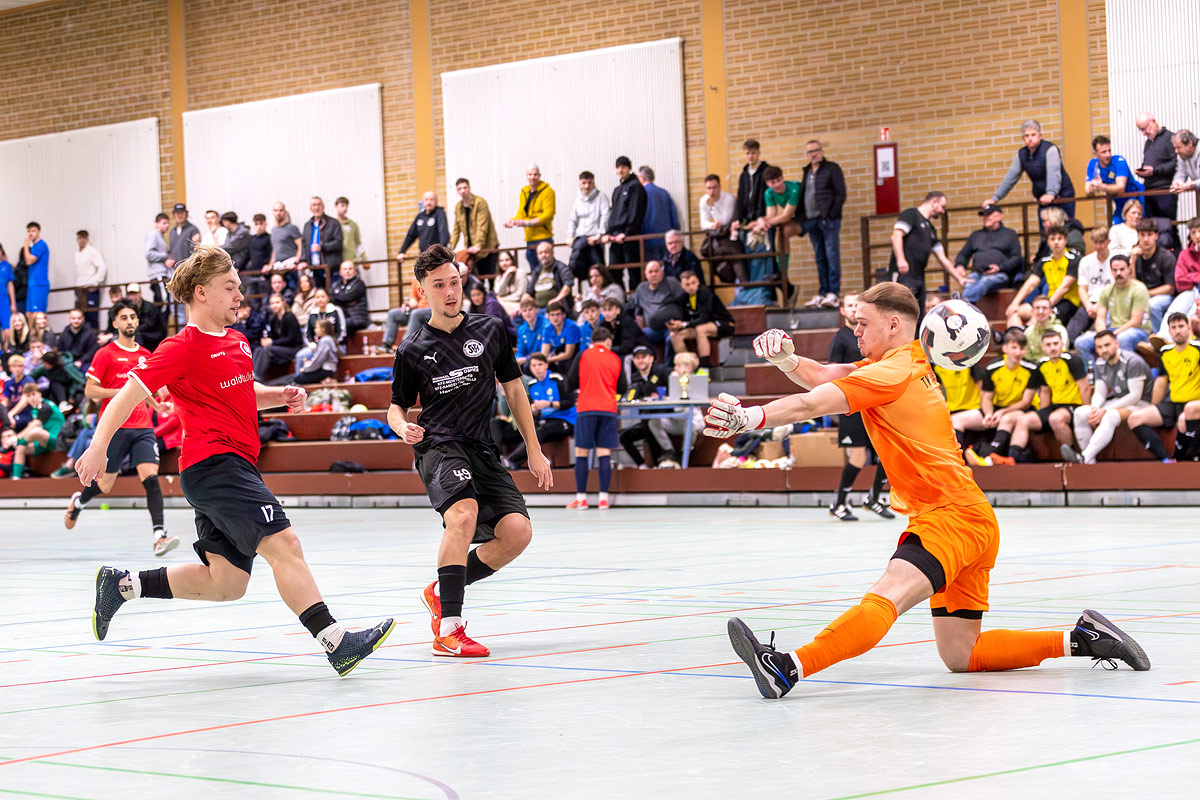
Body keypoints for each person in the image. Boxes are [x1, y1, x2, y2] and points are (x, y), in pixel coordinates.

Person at [707, 281, 1148, 702]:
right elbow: (822, 375)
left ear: (893, 324)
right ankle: (1082, 639)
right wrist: (786, 359)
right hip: (969, 517)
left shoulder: (893, 372)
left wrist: (748, 419)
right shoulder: (902, 363)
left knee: (888, 594)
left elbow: (812, 402)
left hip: (950, 517)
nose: (854, 330)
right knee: (961, 654)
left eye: (862, 322)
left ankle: (787, 667)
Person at [74, 243, 393, 674]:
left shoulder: (238, 342)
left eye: (239, 286)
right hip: (214, 464)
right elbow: (124, 398)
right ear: (202, 292)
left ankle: (122, 586)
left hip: (231, 466)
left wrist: (279, 396)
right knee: (285, 544)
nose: (239, 295)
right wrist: (97, 447)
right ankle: (336, 641)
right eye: (230, 286)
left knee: (226, 583)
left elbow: (244, 392)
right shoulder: (179, 347)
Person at [389, 243, 552, 658]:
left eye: (454, 282)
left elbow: (514, 389)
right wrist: (402, 427)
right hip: (439, 446)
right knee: (463, 514)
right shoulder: (412, 349)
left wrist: (534, 449)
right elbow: (396, 406)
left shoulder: (490, 329)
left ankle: (440, 590)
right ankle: (449, 629)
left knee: (517, 533)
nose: (449, 292)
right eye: (438, 285)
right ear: (422, 291)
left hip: (482, 447)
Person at [63, 298, 178, 553]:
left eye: (133, 317)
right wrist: (120, 393)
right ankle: (79, 502)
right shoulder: (105, 354)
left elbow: (145, 388)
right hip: (115, 427)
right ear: (115, 323)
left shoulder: (145, 355)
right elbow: (90, 390)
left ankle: (159, 535)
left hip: (143, 427)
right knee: (105, 485)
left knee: (151, 478)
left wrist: (157, 405)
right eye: (124, 318)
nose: (130, 321)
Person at [824, 293, 893, 519]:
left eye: (857, 305)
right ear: (843, 310)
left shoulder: (869, 334)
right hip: (853, 404)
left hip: (874, 403)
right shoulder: (841, 337)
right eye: (850, 305)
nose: (854, 309)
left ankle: (873, 498)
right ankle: (839, 504)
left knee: (888, 453)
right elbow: (831, 371)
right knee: (858, 457)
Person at [1062, 331, 1153, 465]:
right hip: (1118, 401)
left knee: (1110, 415)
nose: (1104, 350)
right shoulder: (1100, 363)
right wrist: (1095, 409)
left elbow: (1135, 396)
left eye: (1107, 345)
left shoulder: (1132, 361)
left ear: (1116, 343)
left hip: (1142, 404)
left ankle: (1084, 457)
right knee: (1080, 413)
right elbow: (1100, 393)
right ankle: (1089, 462)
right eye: (1099, 347)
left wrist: (1105, 410)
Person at [566, 325, 625, 508]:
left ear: (593, 341)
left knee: (581, 452)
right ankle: (603, 498)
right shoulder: (615, 358)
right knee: (604, 453)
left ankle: (581, 498)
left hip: (586, 408)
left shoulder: (583, 355)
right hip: (608, 408)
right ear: (608, 341)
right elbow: (622, 387)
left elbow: (570, 382)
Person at [965, 331, 1043, 466]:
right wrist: (989, 414)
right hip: (998, 408)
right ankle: (955, 459)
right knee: (958, 420)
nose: (1018, 352)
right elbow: (986, 398)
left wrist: (1002, 412)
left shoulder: (1032, 369)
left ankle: (987, 457)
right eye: (1014, 348)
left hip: (1025, 409)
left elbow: (1026, 402)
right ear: (1005, 348)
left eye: (1022, 348)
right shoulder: (992, 368)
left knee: (1007, 418)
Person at [1009, 330, 1090, 462]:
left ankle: (1073, 454)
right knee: (1023, 420)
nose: (1053, 348)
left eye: (1055, 344)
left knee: (1056, 419)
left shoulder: (1072, 361)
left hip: (1073, 405)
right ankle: (1013, 458)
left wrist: (1086, 412)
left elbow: (1085, 388)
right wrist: (1043, 415)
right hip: (1054, 406)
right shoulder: (1042, 365)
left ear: (1062, 344)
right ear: (1043, 348)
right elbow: (1045, 391)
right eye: (1048, 345)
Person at [986, 119, 1076, 220]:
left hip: (1063, 196)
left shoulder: (1050, 149)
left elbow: (1054, 174)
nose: (1030, 138)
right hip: (1043, 199)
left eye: (1033, 135)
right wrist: (994, 199)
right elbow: (1010, 178)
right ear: (1023, 138)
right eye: (1027, 136)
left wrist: (1050, 193)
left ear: (1040, 136)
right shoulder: (1022, 154)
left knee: (1065, 227)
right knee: (1045, 228)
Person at [498, 352, 574, 467]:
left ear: (546, 365)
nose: (537, 368)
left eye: (540, 364)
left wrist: (549, 404)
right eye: (534, 365)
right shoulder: (532, 385)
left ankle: (512, 460)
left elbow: (570, 402)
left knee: (540, 432)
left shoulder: (558, 379)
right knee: (525, 429)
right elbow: (535, 412)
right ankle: (504, 459)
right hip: (544, 421)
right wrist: (534, 411)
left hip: (565, 419)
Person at [1074, 255, 1150, 369]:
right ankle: (1092, 375)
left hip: (1137, 331)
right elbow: (1100, 319)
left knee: (1123, 339)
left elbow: (1135, 321)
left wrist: (1112, 336)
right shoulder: (1107, 291)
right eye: (1115, 270)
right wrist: (1102, 335)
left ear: (1129, 269)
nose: (1118, 273)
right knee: (1081, 342)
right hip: (1113, 330)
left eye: (1122, 269)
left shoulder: (1139, 289)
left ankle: (1125, 373)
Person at [1005, 226, 1082, 337]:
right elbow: (1031, 284)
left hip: (1068, 303)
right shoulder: (1045, 261)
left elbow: (1064, 288)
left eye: (1059, 238)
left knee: (1039, 316)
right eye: (1052, 239)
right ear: (1048, 242)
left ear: (1065, 241)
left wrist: (1045, 307)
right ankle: (1015, 338)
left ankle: (1026, 336)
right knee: (1015, 312)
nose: (1056, 242)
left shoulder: (1073, 259)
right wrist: (1015, 303)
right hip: (1049, 300)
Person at [798, 140, 847, 308]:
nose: (814, 154)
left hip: (829, 220)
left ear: (822, 151)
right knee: (820, 257)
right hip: (812, 221)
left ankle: (833, 292)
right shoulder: (807, 171)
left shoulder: (832, 168)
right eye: (810, 151)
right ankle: (823, 291)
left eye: (816, 150)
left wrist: (831, 214)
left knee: (832, 255)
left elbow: (840, 194)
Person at [889, 192, 954, 313]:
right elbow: (896, 236)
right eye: (942, 206)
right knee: (901, 310)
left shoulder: (931, 229)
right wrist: (901, 260)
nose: (943, 211)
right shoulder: (911, 214)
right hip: (904, 274)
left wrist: (960, 278)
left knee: (918, 313)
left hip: (919, 277)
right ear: (934, 202)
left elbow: (942, 258)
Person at [951, 205, 1023, 303]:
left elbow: (1016, 258)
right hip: (977, 273)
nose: (985, 218)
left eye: (989, 215)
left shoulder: (1010, 234)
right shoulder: (976, 235)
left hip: (1000, 275)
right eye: (984, 215)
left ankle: (962, 302)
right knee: (970, 283)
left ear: (999, 216)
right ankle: (964, 302)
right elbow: (963, 254)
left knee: (985, 281)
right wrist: (960, 265)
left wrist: (1000, 267)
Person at [617, 345, 673, 469]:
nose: (640, 360)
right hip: (646, 418)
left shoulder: (662, 371)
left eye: (643, 357)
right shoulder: (635, 378)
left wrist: (663, 396)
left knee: (649, 426)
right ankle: (642, 466)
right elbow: (632, 396)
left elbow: (675, 387)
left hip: (666, 419)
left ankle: (658, 464)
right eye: (637, 358)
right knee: (624, 437)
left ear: (651, 358)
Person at [668, 270, 734, 368]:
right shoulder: (683, 298)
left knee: (701, 329)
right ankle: (686, 364)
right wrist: (678, 324)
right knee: (675, 335)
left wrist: (685, 324)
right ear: (682, 286)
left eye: (693, 283)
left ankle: (705, 365)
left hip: (723, 323)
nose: (691, 287)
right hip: (698, 324)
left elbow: (705, 318)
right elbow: (684, 318)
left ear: (698, 282)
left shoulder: (705, 293)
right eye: (687, 284)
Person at [755, 165, 802, 303]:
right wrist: (761, 220)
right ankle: (782, 274)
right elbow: (771, 215)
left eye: (779, 180)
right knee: (780, 234)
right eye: (773, 182)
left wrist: (763, 223)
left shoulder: (794, 188)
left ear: (783, 178)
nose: (777, 184)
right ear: (767, 184)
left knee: (783, 232)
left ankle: (782, 273)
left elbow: (786, 216)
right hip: (793, 218)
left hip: (806, 217)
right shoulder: (769, 193)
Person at [505, 164, 556, 273]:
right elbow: (521, 213)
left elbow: (548, 215)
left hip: (543, 237)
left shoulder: (548, 191)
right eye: (530, 174)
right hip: (530, 238)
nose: (532, 177)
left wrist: (529, 223)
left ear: (539, 175)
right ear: (526, 176)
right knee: (534, 270)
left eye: (535, 174)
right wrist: (513, 221)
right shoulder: (524, 192)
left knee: (547, 268)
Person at [604, 156, 647, 284]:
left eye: (623, 167)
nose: (621, 170)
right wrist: (609, 233)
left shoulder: (635, 187)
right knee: (614, 270)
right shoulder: (617, 190)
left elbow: (635, 212)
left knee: (634, 271)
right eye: (618, 167)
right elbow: (613, 213)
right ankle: (618, 296)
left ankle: (635, 296)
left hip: (629, 237)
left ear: (629, 168)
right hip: (616, 236)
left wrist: (627, 232)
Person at [8, 383, 64, 478]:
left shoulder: (46, 406)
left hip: (58, 440)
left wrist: (16, 438)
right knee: (20, 448)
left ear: (40, 393)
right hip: (43, 441)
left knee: (35, 431)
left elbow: (34, 426)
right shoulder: (34, 409)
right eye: (28, 396)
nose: (31, 398)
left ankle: (16, 442)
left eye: (33, 394)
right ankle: (16, 478)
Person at [1085, 135, 1143, 225]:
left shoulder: (1119, 161)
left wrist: (1101, 187)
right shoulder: (1093, 164)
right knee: (1115, 227)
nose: (1108, 155)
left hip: (1136, 199)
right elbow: (1087, 191)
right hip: (1120, 203)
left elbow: (1120, 188)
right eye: (1103, 152)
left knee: (1140, 227)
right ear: (1095, 153)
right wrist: (1093, 187)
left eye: (1109, 150)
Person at [1133, 218, 1177, 331]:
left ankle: (1158, 336)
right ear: (1137, 236)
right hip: (1142, 296)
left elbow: (1170, 288)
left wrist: (1147, 294)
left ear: (1156, 236)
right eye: (1142, 235)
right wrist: (1132, 261)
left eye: (1149, 234)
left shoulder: (1166, 256)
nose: (1146, 239)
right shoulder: (1135, 257)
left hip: (1163, 296)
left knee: (1152, 305)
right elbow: (1131, 285)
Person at [449, 179, 499, 279]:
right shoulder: (459, 207)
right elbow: (456, 229)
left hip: (487, 247)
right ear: (457, 191)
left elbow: (482, 225)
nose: (463, 191)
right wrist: (450, 248)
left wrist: (478, 245)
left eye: (465, 187)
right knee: (476, 279)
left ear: (469, 188)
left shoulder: (480, 202)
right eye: (459, 189)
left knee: (490, 277)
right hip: (471, 249)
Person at [1135, 112, 1178, 224]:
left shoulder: (1170, 138)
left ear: (1153, 122)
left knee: (1168, 227)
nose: (1144, 133)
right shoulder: (1148, 143)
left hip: (1165, 190)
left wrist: (1155, 171)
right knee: (1152, 228)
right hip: (1149, 191)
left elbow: (1176, 163)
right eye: (1141, 130)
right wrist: (1142, 171)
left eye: (1144, 128)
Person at [630, 260, 685, 347]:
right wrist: (641, 330)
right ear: (645, 275)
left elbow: (684, 301)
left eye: (656, 271)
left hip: (672, 326)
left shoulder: (672, 282)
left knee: (671, 338)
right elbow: (638, 313)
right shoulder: (641, 288)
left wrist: (682, 322)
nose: (654, 274)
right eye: (650, 272)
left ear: (662, 272)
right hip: (652, 329)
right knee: (636, 337)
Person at [567, 171, 610, 280]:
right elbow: (573, 220)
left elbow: (605, 217)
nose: (587, 186)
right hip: (581, 238)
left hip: (595, 240)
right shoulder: (577, 200)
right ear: (579, 184)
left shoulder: (601, 197)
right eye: (584, 183)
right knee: (579, 269)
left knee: (598, 269)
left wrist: (599, 235)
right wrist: (570, 235)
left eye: (589, 183)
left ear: (593, 183)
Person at [273, 318, 339, 386]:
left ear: (323, 329)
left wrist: (306, 369)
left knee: (297, 378)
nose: (315, 330)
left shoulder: (325, 340)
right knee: (295, 377)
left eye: (317, 328)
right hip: (325, 370)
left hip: (326, 370)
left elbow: (318, 360)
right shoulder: (328, 339)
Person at [252, 293, 303, 381]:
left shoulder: (290, 317)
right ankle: (251, 375)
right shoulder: (274, 319)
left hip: (293, 348)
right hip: (280, 348)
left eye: (277, 302)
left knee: (267, 350)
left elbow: (292, 339)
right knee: (258, 349)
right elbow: (274, 337)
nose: (274, 305)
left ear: (283, 303)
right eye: (272, 303)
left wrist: (272, 342)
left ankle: (257, 378)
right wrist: (267, 340)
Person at [1076, 226, 1115, 334]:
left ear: (1108, 241)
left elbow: (1118, 288)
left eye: (1102, 242)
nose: (1098, 246)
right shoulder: (1085, 261)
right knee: (1073, 329)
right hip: (1090, 303)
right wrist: (1089, 306)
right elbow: (1082, 288)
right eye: (1096, 242)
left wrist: (1099, 305)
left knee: (1097, 331)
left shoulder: (1116, 260)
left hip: (1110, 303)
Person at [297, 196, 343, 288]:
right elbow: (304, 245)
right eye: (314, 205)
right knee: (319, 292)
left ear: (323, 207)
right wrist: (303, 260)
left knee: (332, 292)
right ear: (310, 208)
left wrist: (322, 247)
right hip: (314, 268)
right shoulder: (307, 225)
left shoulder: (333, 223)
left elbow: (339, 243)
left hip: (330, 267)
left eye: (319, 204)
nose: (317, 207)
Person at [637, 165, 679, 263]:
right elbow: (674, 218)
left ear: (642, 178)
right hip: (666, 239)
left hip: (647, 240)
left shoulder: (640, 194)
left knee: (651, 268)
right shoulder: (664, 193)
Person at [398, 191, 450, 266]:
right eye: (426, 200)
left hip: (437, 256)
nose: (429, 202)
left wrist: (442, 252)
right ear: (423, 202)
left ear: (436, 201)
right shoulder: (420, 216)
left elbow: (443, 233)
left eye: (431, 199)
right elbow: (411, 235)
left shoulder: (440, 213)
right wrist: (402, 251)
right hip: (423, 255)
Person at [523, 240, 573, 310]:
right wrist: (523, 302)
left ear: (552, 253)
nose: (543, 255)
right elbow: (529, 291)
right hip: (537, 309)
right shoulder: (537, 270)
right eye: (540, 253)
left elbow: (567, 286)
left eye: (546, 252)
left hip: (555, 309)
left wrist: (557, 299)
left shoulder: (561, 267)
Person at [1021, 295, 1068, 363]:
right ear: (1032, 311)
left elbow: (1063, 354)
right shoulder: (1028, 332)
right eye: (1037, 308)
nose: (1040, 311)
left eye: (1044, 308)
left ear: (1050, 311)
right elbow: (1027, 357)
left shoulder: (1060, 331)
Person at [73, 230, 106, 327]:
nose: (82, 240)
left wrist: (95, 282)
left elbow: (102, 267)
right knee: (80, 317)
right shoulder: (77, 254)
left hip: (90, 289)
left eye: (84, 238)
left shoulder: (92, 251)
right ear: (77, 239)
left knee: (92, 317)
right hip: (80, 288)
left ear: (87, 239)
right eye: (80, 238)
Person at [330, 260, 370, 338]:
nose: (347, 271)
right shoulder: (335, 285)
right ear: (340, 272)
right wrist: (343, 301)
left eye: (350, 269)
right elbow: (330, 298)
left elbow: (347, 297)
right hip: (342, 316)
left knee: (339, 325)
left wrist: (339, 299)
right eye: (345, 269)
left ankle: (341, 345)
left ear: (355, 271)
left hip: (357, 318)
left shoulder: (359, 284)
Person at [269, 201, 303, 288]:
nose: (278, 213)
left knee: (293, 289)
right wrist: (270, 264)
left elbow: (300, 246)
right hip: (278, 267)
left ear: (285, 212)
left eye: (281, 210)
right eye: (276, 210)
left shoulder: (292, 228)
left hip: (290, 265)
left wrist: (296, 262)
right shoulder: (273, 230)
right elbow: (274, 249)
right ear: (273, 212)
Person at [125, 283, 167, 352]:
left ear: (140, 293)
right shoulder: (129, 309)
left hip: (154, 334)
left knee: (137, 336)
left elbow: (149, 325)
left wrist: (132, 330)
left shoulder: (150, 307)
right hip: (142, 334)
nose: (133, 297)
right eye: (130, 294)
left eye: (135, 294)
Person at [541, 301, 580, 369]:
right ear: (548, 317)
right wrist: (543, 361)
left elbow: (569, 354)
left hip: (574, 354)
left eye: (558, 314)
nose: (555, 318)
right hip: (558, 353)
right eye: (552, 315)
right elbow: (544, 353)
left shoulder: (571, 327)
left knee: (565, 365)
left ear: (564, 315)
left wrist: (549, 360)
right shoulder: (547, 328)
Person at [22, 222, 50, 314]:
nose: (30, 233)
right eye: (29, 231)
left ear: (39, 232)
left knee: (37, 313)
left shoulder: (41, 245)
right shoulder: (33, 247)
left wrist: (26, 245)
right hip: (32, 283)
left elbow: (29, 261)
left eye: (33, 231)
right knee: (29, 313)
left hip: (39, 282)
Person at [514, 298, 549, 371]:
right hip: (530, 360)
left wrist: (526, 359)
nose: (527, 313)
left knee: (526, 366)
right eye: (524, 311)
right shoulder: (521, 329)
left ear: (537, 310)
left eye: (530, 310)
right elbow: (520, 351)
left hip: (545, 359)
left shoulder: (546, 326)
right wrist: (518, 360)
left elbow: (544, 353)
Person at [145, 213, 172, 306]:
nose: (167, 225)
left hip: (162, 274)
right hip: (157, 274)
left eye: (168, 223)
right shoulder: (154, 235)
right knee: (163, 302)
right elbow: (148, 254)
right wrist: (165, 256)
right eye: (164, 223)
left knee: (163, 302)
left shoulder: (161, 236)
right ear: (157, 224)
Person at [492, 250, 529, 316]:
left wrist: (502, 299)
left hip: (518, 305)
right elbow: (499, 292)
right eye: (501, 261)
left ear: (512, 261)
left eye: (507, 260)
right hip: (504, 306)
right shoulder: (499, 277)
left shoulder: (520, 273)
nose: (504, 263)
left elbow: (519, 295)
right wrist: (506, 275)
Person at [334, 196, 367, 268]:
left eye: (346, 206)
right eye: (342, 206)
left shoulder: (353, 225)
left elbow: (358, 243)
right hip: (337, 263)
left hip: (351, 261)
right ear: (336, 206)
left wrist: (364, 259)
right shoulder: (331, 224)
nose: (345, 208)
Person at [0, 243, 14, 338]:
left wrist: (13, 303)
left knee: (7, 330)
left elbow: (10, 285)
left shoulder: (7, 266)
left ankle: (7, 347)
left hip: (4, 302)